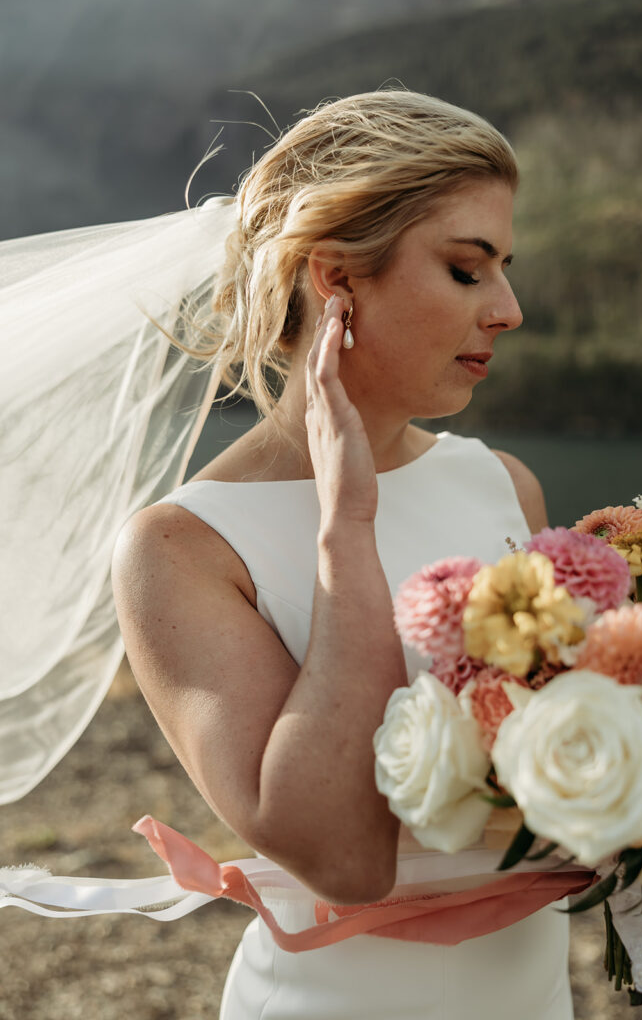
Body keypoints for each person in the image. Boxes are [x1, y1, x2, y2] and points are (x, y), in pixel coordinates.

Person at [108, 90, 580, 1019]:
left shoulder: (505, 486)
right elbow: (343, 859)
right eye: (465, 270)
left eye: (504, 270)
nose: (509, 310)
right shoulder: (181, 548)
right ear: (337, 281)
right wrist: (346, 525)